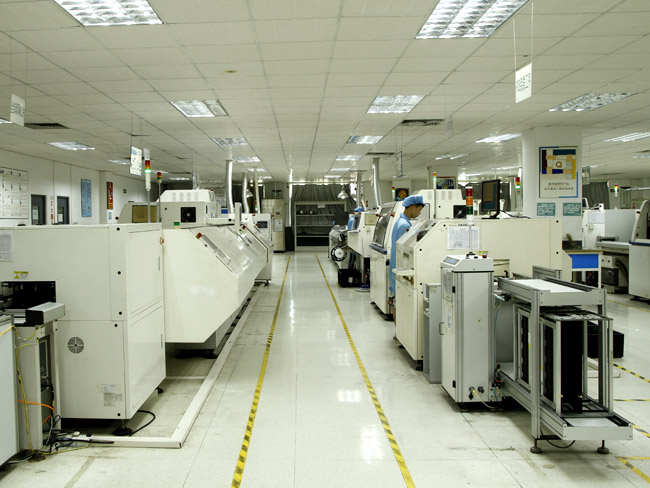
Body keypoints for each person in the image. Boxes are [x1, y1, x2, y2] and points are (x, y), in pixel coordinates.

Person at [389, 194, 425, 306]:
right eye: (419, 209)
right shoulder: (404, 225)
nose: (420, 213)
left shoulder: (400, 222)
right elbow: (405, 252)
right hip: (400, 269)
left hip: (395, 267)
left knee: (396, 302)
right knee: (399, 304)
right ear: (413, 207)